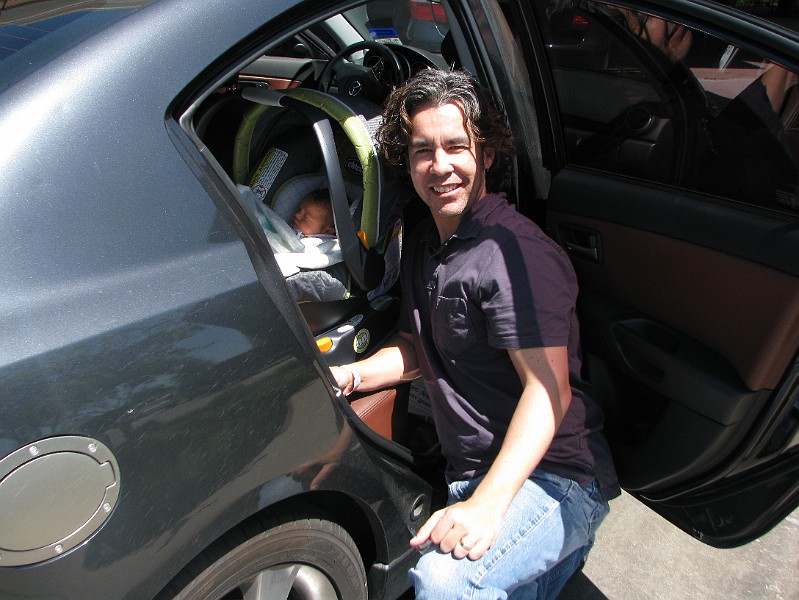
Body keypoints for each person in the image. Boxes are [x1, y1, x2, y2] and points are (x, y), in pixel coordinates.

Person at [331, 68, 619, 599]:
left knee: (446, 582)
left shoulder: (513, 255)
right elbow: (416, 347)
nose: (439, 166)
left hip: (555, 481)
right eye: (422, 151)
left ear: (486, 154)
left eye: (456, 147)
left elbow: (547, 391)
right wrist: (350, 376)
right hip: (470, 475)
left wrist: (487, 504)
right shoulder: (425, 242)